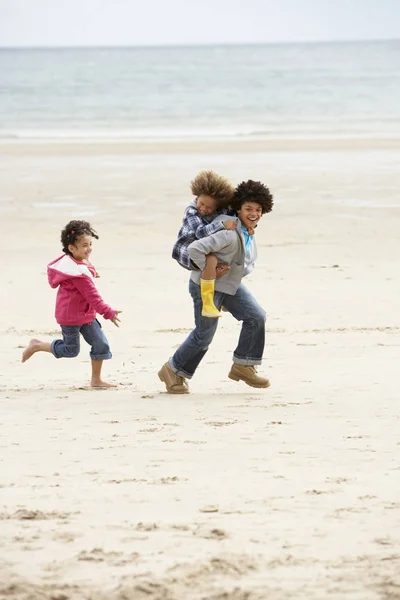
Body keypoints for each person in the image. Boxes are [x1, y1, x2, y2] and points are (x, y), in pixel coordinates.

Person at [159, 179, 274, 394]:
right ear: (237, 209)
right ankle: (173, 370)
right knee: (204, 335)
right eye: (248, 209)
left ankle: (243, 365)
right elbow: (194, 249)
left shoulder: (246, 231)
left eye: (258, 210)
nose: (254, 214)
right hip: (206, 286)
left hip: (230, 286)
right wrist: (207, 269)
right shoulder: (228, 232)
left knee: (256, 316)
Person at [21, 220, 121, 388]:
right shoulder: (77, 275)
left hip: (85, 315)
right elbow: (93, 298)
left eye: (90, 244)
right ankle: (37, 345)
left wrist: (93, 272)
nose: (89, 248)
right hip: (70, 317)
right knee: (70, 350)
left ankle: (96, 380)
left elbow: (85, 266)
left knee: (101, 344)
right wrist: (109, 313)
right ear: (71, 248)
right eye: (84, 245)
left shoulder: (74, 261)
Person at [172, 170, 237, 318]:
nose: (204, 209)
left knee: (227, 261)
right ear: (196, 197)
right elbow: (200, 232)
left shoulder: (218, 209)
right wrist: (222, 225)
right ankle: (208, 303)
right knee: (212, 260)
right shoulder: (192, 211)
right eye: (201, 203)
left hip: (205, 247)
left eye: (209, 207)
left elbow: (232, 214)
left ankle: (224, 297)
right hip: (187, 250)